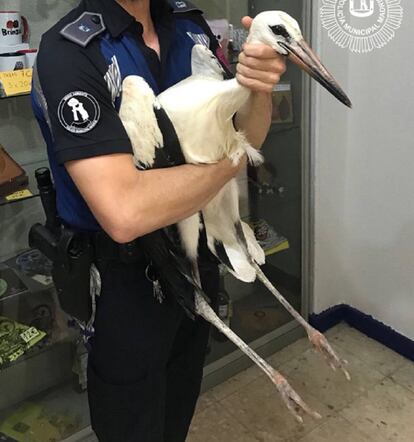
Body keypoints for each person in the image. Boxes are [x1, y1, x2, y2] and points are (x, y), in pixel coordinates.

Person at [31, 0, 286, 440]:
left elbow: (247, 136)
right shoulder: (69, 51)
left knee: (177, 410)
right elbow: (125, 212)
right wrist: (229, 165)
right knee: (133, 423)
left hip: (195, 258)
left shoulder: (188, 23)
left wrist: (256, 87)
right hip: (125, 281)